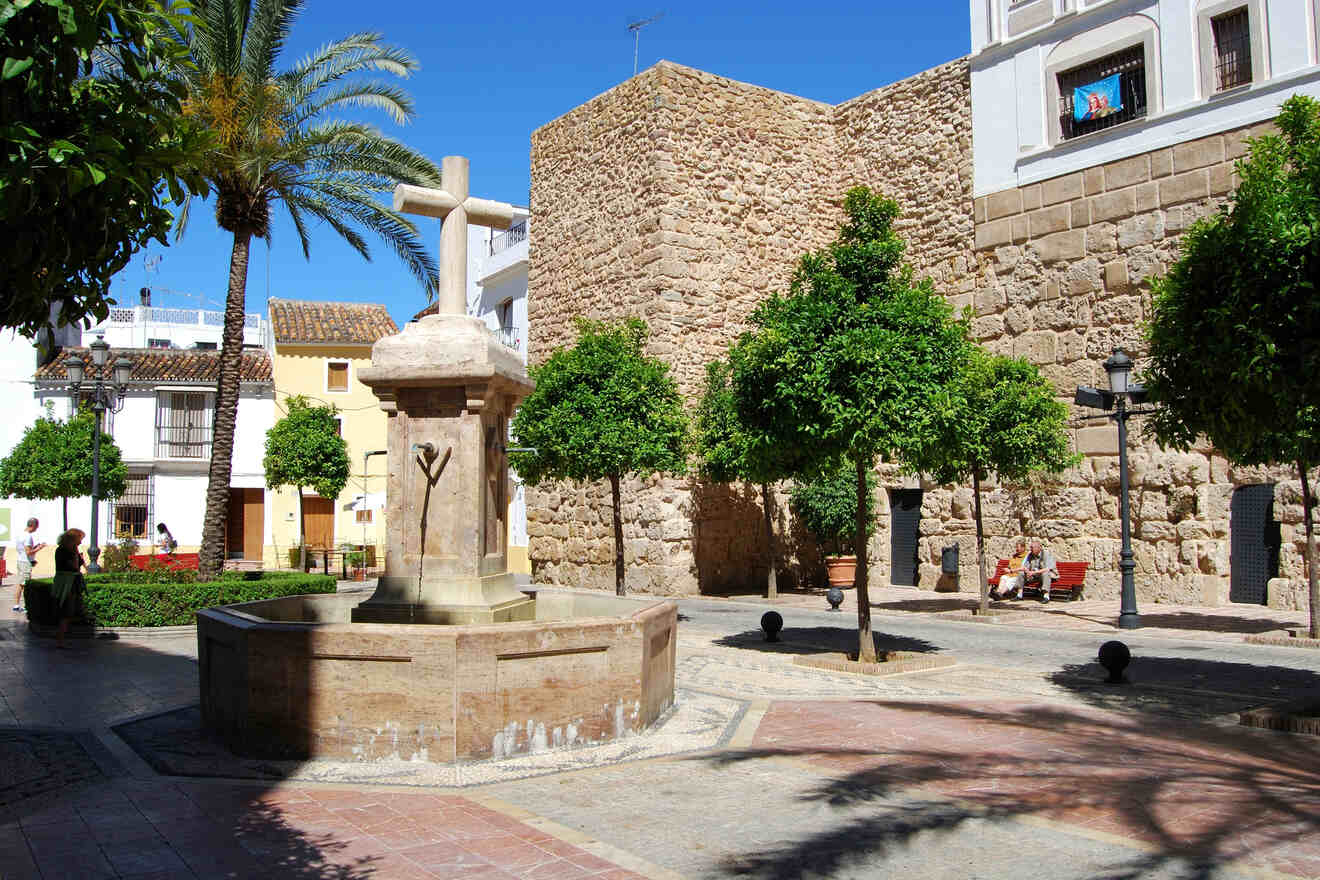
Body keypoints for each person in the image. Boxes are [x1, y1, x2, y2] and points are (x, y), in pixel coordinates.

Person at [51, 528, 86, 648]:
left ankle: (63, 637)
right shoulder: (66, 551)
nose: (81, 542)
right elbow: (75, 566)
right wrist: (77, 554)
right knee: (66, 610)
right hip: (67, 583)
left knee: (69, 611)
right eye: (80, 539)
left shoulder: (65, 549)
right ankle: (60, 640)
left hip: (69, 582)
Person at [13, 517, 45, 613]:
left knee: (21, 583)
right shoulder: (28, 536)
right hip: (25, 563)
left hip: (21, 561)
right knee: (25, 585)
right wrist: (39, 547)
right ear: (33, 525)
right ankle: (24, 606)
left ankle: (17, 605)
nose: (37, 529)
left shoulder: (20, 534)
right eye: (37, 527)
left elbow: (23, 550)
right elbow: (28, 552)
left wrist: (32, 556)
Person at [1021, 538, 1059, 603]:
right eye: (1031, 547)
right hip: (1035, 575)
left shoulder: (1046, 554)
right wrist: (1027, 572)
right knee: (1021, 573)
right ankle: (1019, 595)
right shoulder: (1030, 555)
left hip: (1049, 575)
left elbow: (1048, 568)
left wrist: (1034, 572)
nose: (1031, 549)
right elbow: (1025, 566)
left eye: (1033, 547)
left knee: (1046, 573)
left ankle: (1046, 596)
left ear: (1039, 548)